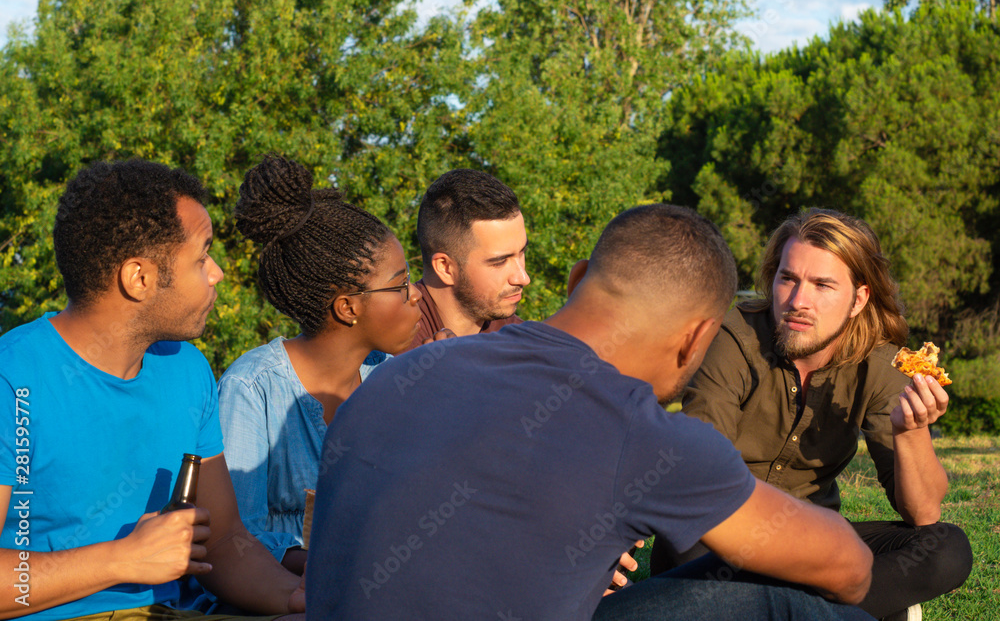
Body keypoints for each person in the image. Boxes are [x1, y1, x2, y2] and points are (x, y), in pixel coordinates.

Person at [306, 204, 876, 621]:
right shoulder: (644, 434)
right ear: (698, 338)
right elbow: (849, 570)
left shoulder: (395, 378)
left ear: (578, 279)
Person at [0, 159, 304, 621]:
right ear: (138, 278)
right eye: (202, 257)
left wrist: (302, 599)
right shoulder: (13, 377)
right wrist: (122, 558)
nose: (217, 273)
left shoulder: (185, 368)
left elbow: (221, 543)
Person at [649, 208, 973, 621]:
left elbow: (923, 513)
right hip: (724, 528)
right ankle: (840, 609)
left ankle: (777, 607)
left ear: (859, 299)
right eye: (788, 279)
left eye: (822, 285)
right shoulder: (731, 337)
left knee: (946, 548)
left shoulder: (880, 363)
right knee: (687, 538)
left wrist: (911, 432)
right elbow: (700, 474)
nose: (799, 302)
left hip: (812, 540)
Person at [218, 154, 423, 575]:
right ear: (348, 307)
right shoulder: (253, 389)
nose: (416, 295)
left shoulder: (390, 379)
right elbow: (236, 535)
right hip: (273, 596)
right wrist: (331, 567)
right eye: (401, 284)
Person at [407, 169, 529, 348]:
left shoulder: (519, 343)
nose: (523, 278)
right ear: (445, 268)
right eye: (500, 261)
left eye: (522, 253)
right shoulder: (391, 350)